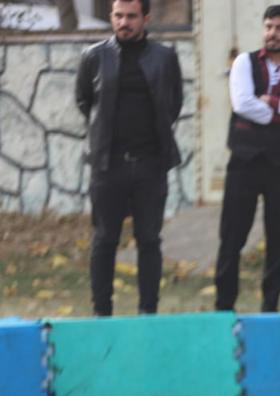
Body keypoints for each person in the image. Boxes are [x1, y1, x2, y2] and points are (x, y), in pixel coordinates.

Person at [75, 0, 183, 317]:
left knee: (149, 239)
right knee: (104, 239)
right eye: (118, 16)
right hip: (108, 164)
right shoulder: (93, 56)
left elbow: (174, 103)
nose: (124, 23)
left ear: (145, 19)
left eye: (131, 16)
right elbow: (84, 101)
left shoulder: (165, 57)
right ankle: (102, 312)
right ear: (111, 17)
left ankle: (148, 311)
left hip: (150, 164)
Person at [214, 5, 280, 313]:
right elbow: (243, 104)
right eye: (269, 27)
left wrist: (271, 101)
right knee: (232, 236)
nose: (273, 33)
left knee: (279, 238)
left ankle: (270, 306)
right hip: (244, 162)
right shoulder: (244, 63)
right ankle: (224, 306)